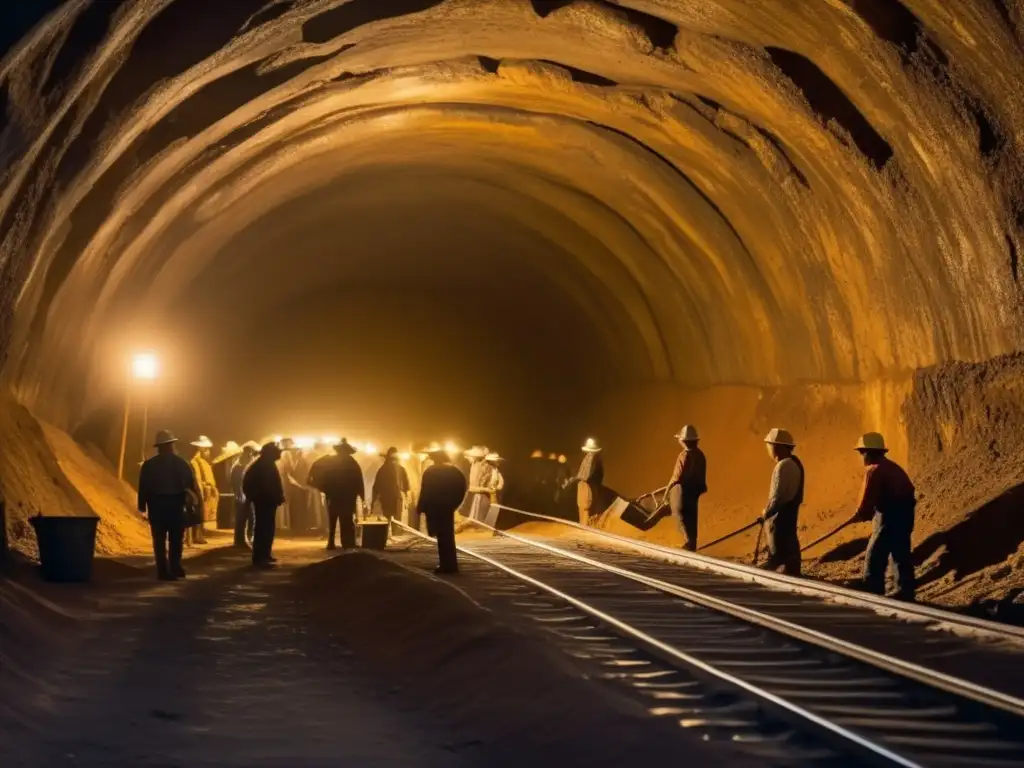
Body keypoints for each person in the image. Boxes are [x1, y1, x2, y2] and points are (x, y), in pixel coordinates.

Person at [851, 432, 916, 601]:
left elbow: (868, 497)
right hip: (905, 512)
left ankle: (872, 585)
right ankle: (904, 589)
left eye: (861, 453)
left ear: (868, 453)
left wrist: (861, 514)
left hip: (890, 514)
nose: (860, 457)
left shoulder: (874, 469)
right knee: (900, 551)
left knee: (875, 550)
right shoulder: (891, 466)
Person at [137, 430, 200, 581]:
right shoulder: (181, 463)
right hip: (175, 505)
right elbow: (190, 486)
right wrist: (194, 506)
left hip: (156, 506)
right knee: (176, 538)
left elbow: (143, 486)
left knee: (159, 540)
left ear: (158, 446)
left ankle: (162, 571)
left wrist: (142, 505)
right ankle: (175, 566)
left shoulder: (149, 465)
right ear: (172, 445)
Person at [757, 428, 804, 576]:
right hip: (789, 513)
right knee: (790, 546)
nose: (768, 449)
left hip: (780, 517)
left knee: (778, 552)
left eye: (769, 445)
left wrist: (766, 513)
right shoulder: (795, 463)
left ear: (777, 447)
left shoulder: (783, 466)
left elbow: (777, 497)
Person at [417, 447, 468, 574]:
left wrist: (421, 506)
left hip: (435, 508)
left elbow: (425, 490)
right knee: (448, 536)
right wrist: (454, 504)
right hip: (447, 508)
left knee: (441, 537)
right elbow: (462, 489)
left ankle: (445, 565)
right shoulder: (455, 472)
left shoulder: (431, 471)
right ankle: (450, 564)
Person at [308, 438, 365, 550]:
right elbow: (359, 481)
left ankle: (331, 543)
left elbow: (315, 470)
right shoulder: (352, 463)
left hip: (333, 495)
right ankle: (347, 543)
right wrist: (361, 495)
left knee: (332, 519)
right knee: (346, 520)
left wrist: (323, 487)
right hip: (347, 497)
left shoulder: (329, 461)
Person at [243, 441, 285, 568]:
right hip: (264, 501)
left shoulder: (264, 464)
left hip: (266, 501)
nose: (280, 454)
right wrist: (273, 496)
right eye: (277, 452)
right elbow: (267, 486)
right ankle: (260, 556)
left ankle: (265, 554)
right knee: (263, 528)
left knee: (267, 528)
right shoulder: (263, 465)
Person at [666, 425, 708, 551]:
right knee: (692, 515)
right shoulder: (700, 455)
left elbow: (676, 477)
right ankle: (692, 542)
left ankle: (688, 541)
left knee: (679, 512)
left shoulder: (684, 455)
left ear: (683, 441)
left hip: (684, 490)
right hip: (695, 491)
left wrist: (668, 490)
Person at [187, 436, 216, 545]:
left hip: (201, 491)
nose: (208, 452)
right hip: (197, 491)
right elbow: (197, 479)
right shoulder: (195, 462)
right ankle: (195, 536)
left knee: (200, 515)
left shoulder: (202, 462)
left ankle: (197, 535)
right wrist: (201, 491)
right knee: (197, 515)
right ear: (202, 449)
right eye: (207, 449)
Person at [230, 441, 260, 548]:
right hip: (243, 496)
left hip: (247, 495)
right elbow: (234, 481)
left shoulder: (241, 465)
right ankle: (241, 540)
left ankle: (246, 539)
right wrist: (239, 493)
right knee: (243, 519)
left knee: (249, 518)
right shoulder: (239, 466)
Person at [373, 447, 411, 522]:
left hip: (390, 499)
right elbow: (406, 486)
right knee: (394, 521)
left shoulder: (383, 469)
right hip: (393, 499)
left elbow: (376, 487)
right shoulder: (399, 469)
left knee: (389, 520)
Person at [576, 437, 604, 525]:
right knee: (584, 509)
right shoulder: (590, 459)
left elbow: (589, 475)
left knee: (586, 508)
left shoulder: (594, 460)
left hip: (589, 486)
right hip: (587, 486)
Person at [463, 445, 490, 520]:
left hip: (481, 493)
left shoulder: (482, 466)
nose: (468, 458)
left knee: (479, 515)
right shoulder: (474, 465)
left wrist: (486, 489)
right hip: (476, 492)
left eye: (470, 456)